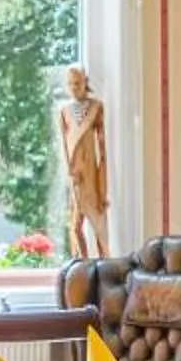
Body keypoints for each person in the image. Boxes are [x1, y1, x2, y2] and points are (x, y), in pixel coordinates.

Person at [56, 65, 110, 260]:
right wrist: (69, 171)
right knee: (75, 225)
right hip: (75, 175)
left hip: (91, 175)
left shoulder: (96, 107)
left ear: (85, 82)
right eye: (70, 84)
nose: (74, 88)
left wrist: (102, 185)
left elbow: (102, 149)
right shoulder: (64, 111)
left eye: (77, 83)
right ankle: (82, 261)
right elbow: (64, 145)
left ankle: (105, 262)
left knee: (98, 224)